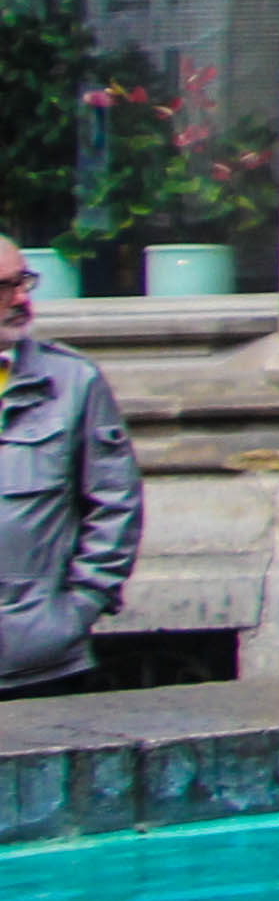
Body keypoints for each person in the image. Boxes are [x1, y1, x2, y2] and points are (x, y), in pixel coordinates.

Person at [0, 238, 140, 696]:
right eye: (5, 287)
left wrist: (79, 608)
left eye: (25, 282)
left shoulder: (72, 382)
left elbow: (115, 503)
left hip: (39, 661)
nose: (23, 299)